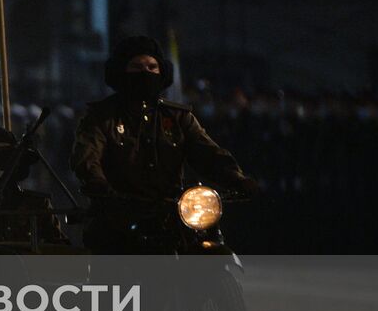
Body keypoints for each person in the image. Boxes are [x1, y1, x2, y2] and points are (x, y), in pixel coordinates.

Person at [71, 35, 259, 251]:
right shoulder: (101, 117)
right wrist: (100, 187)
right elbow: (87, 157)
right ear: (121, 71)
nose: (146, 73)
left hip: (172, 214)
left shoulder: (178, 117)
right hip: (119, 216)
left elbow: (207, 153)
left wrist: (237, 179)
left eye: (152, 66)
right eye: (137, 66)